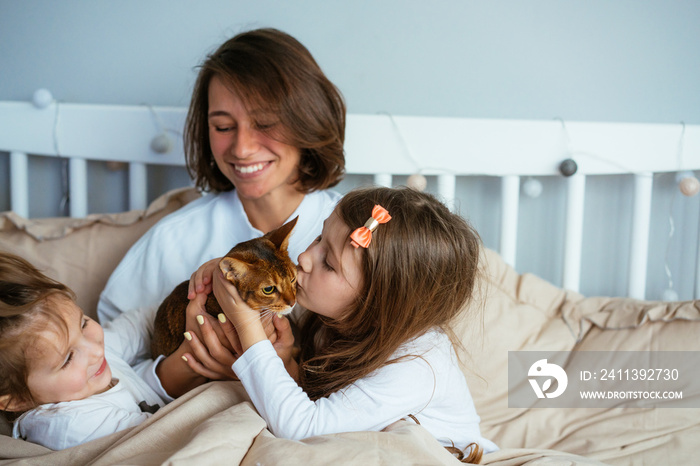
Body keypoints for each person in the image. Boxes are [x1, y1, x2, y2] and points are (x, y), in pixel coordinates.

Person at [96, 28, 346, 387]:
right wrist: (179, 368)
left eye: (264, 123)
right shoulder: (173, 238)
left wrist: (279, 369)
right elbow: (97, 367)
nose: (242, 148)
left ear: (308, 118)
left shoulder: (353, 238)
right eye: (224, 126)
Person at [188, 186, 499, 463]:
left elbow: (302, 427)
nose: (305, 258)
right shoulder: (331, 310)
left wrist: (246, 324)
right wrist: (233, 272)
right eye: (319, 237)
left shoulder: (418, 365)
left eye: (329, 264)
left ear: (377, 302)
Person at [0, 252, 186, 450]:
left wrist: (190, 301)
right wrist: (174, 377)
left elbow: (140, 324)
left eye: (83, 323)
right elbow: (164, 437)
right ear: (17, 400)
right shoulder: (67, 426)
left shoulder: (85, 353)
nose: (97, 350)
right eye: (68, 359)